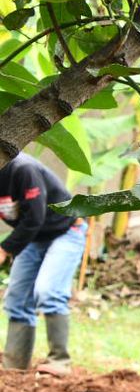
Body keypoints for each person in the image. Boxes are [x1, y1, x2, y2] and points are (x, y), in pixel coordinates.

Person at [1, 150, 85, 375]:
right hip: (33, 237)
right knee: (17, 299)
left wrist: (4, 249)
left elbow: (35, 217)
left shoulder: (22, 169)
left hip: (66, 231)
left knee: (48, 291)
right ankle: (14, 365)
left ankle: (60, 361)